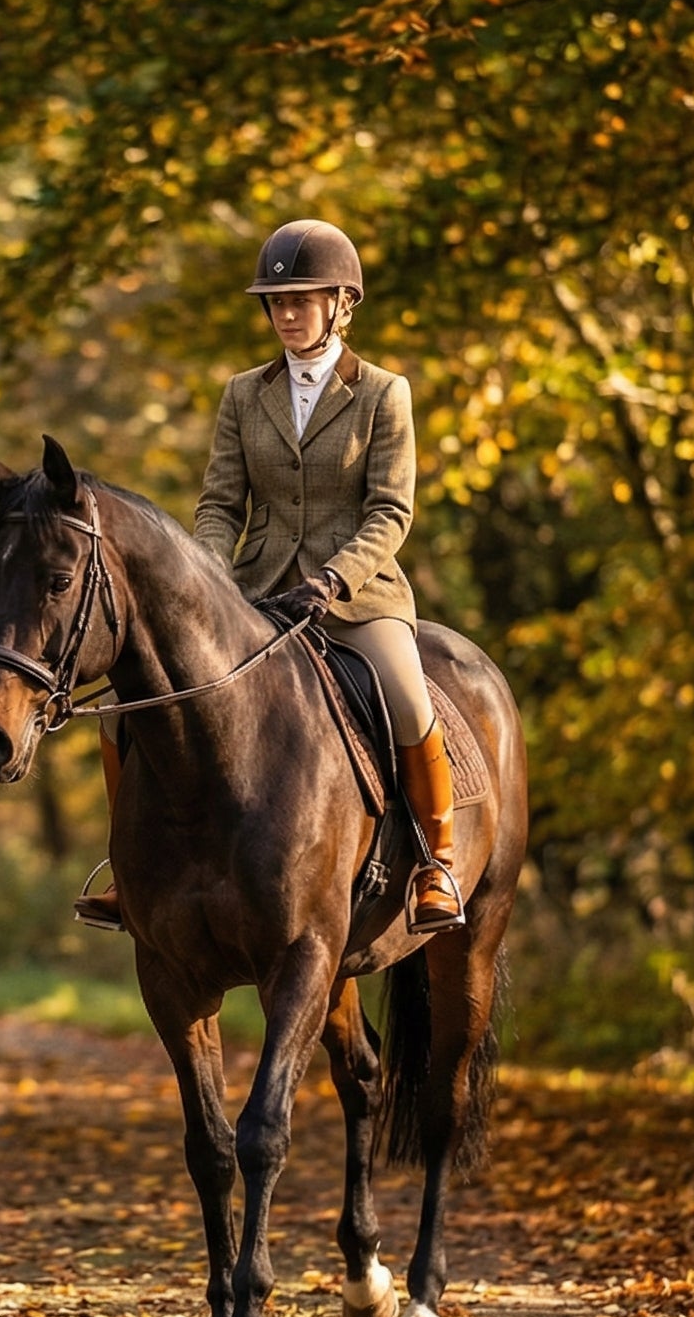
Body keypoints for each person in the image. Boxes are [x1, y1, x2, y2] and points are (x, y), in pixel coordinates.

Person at [74, 218, 465, 936]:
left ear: (341, 305)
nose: (285, 314)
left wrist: (334, 579)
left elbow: (390, 510)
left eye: (301, 301)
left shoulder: (384, 394)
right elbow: (221, 503)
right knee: (129, 708)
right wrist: (207, 581)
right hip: (255, 592)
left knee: (409, 698)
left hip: (357, 597)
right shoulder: (243, 394)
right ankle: (130, 875)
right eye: (276, 303)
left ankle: (435, 863)